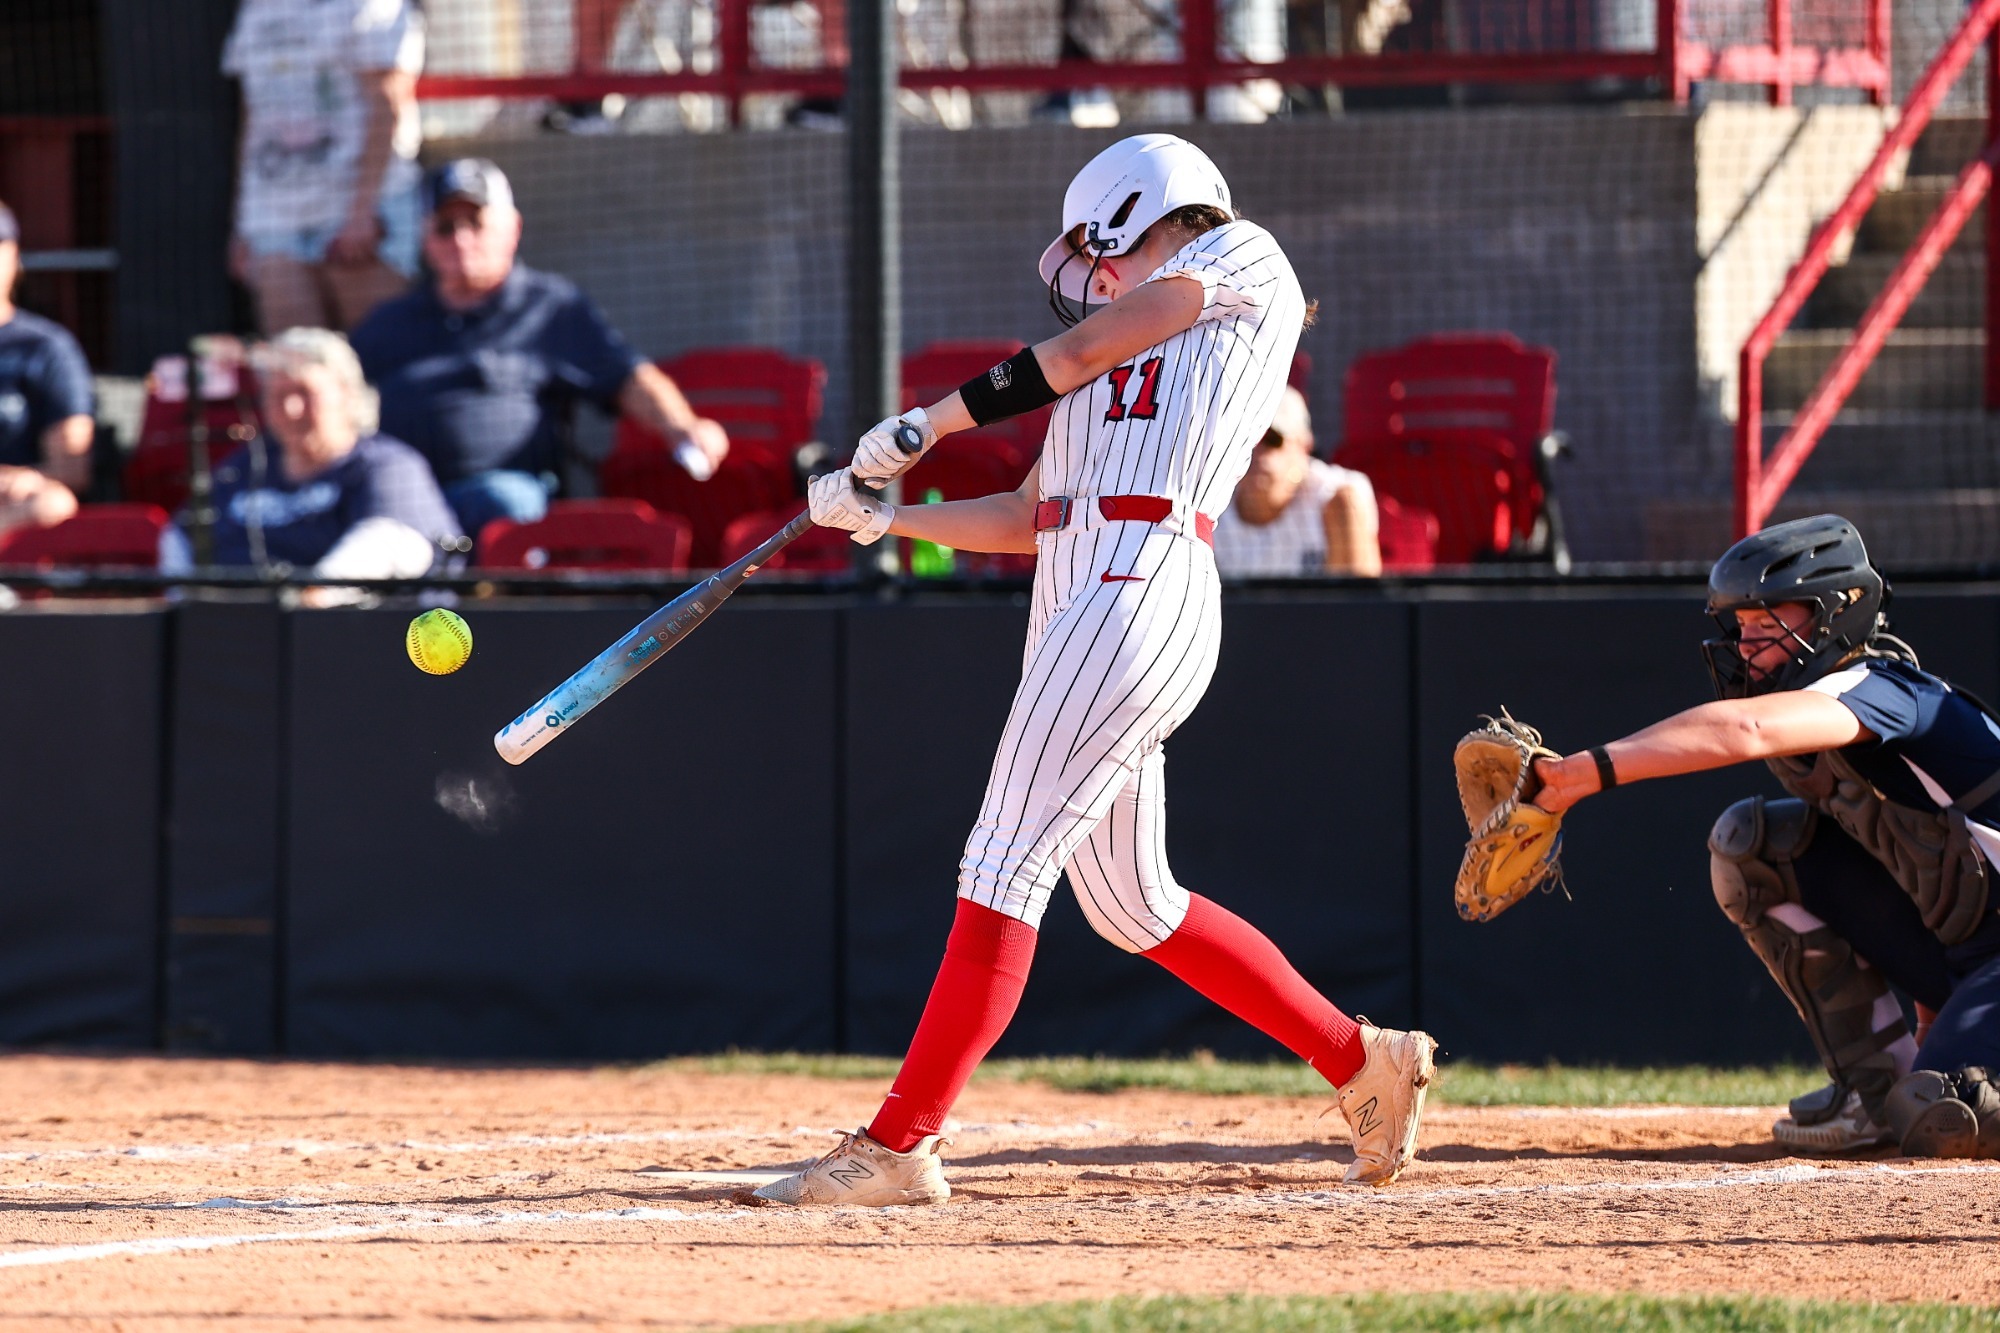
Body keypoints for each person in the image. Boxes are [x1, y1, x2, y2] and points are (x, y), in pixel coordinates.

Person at [763, 134, 1439, 1208]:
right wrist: (888, 516)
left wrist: (925, 423)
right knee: (1131, 903)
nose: (1094, 275)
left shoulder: (1242, 261)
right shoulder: (1114, 350)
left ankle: (897, 1144)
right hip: (1074, 590)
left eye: (1098, 248)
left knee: (1000, 862)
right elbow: (1032, 513)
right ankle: (1362, 1059)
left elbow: (1079, 350)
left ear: (1141, 209)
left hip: (1142, 584)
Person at [1532, 515, 2000, 1159]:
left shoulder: (1884, 688)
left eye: (1767, 623)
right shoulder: (1828, 734)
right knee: (1753, 846)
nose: (1747, 645)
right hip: (1973, 955)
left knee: (1947, 1113)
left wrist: (1576, 776)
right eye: (1741, 627)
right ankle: (1875, 1093)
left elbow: (1744, 729)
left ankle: (1927, 1091)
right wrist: (1934, 1019)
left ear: (1837, 614)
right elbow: (1919, 869)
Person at [349, 159, 729, 540]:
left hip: (506, 498)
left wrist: (683, 427)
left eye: (476, 223)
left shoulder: (550, 307)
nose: (461, 240)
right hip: (407, 498)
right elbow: (334, 389)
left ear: (512, 228)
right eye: (446, 227)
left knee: (505, 503)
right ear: (425, 238)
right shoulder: (391, 320)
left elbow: (627, 376)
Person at [163, 328, 462, 593]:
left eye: (306, 393)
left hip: (350, 637)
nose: (292, 409)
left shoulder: (388, 465)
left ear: (347, 395)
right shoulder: (243, 467)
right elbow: (179, 538)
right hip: (235, 636)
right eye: (278, 395)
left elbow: (391, 545)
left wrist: (309, 599)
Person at [223, 0, 427, 334]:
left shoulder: (374, 7)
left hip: (357, 211)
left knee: (375, 354)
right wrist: (244, 222)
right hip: (277, 217)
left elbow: (389, 104)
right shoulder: (257, 9)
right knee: (298, 361)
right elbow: (253, 119)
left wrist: (362, 211)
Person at [1212, 385, 1381, 576]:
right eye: (1246, 440)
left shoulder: (1339, 498)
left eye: (1272, 439)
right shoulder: (1206, 504)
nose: (1256, 452)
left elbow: (1358, 603)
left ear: (1304, 446)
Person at [0, 200, 88, 538]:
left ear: (15, 257)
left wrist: (27, 477)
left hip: (11, 508)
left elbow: (73, 466)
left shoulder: (46, 346)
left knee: (54, 502)